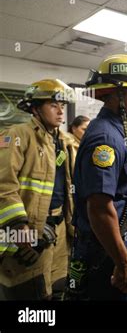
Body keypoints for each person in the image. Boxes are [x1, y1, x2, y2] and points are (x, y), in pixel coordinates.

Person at [68, 54, 127, 300]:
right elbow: (100, 209)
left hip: (113, 245)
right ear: (117, 95)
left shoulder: (118, 131)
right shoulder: (106, 138)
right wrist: (123, 262)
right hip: (106, 250)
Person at [0, 79, 76, 300]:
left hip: (61, 230)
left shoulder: (66, 142)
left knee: (59, 288)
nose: (61, 111)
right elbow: (4, 184)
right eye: (53, 105)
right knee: (29, 291)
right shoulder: (17, 135)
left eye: (62, 105)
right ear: (35, 108)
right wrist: (19, 226)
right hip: (29, 231)